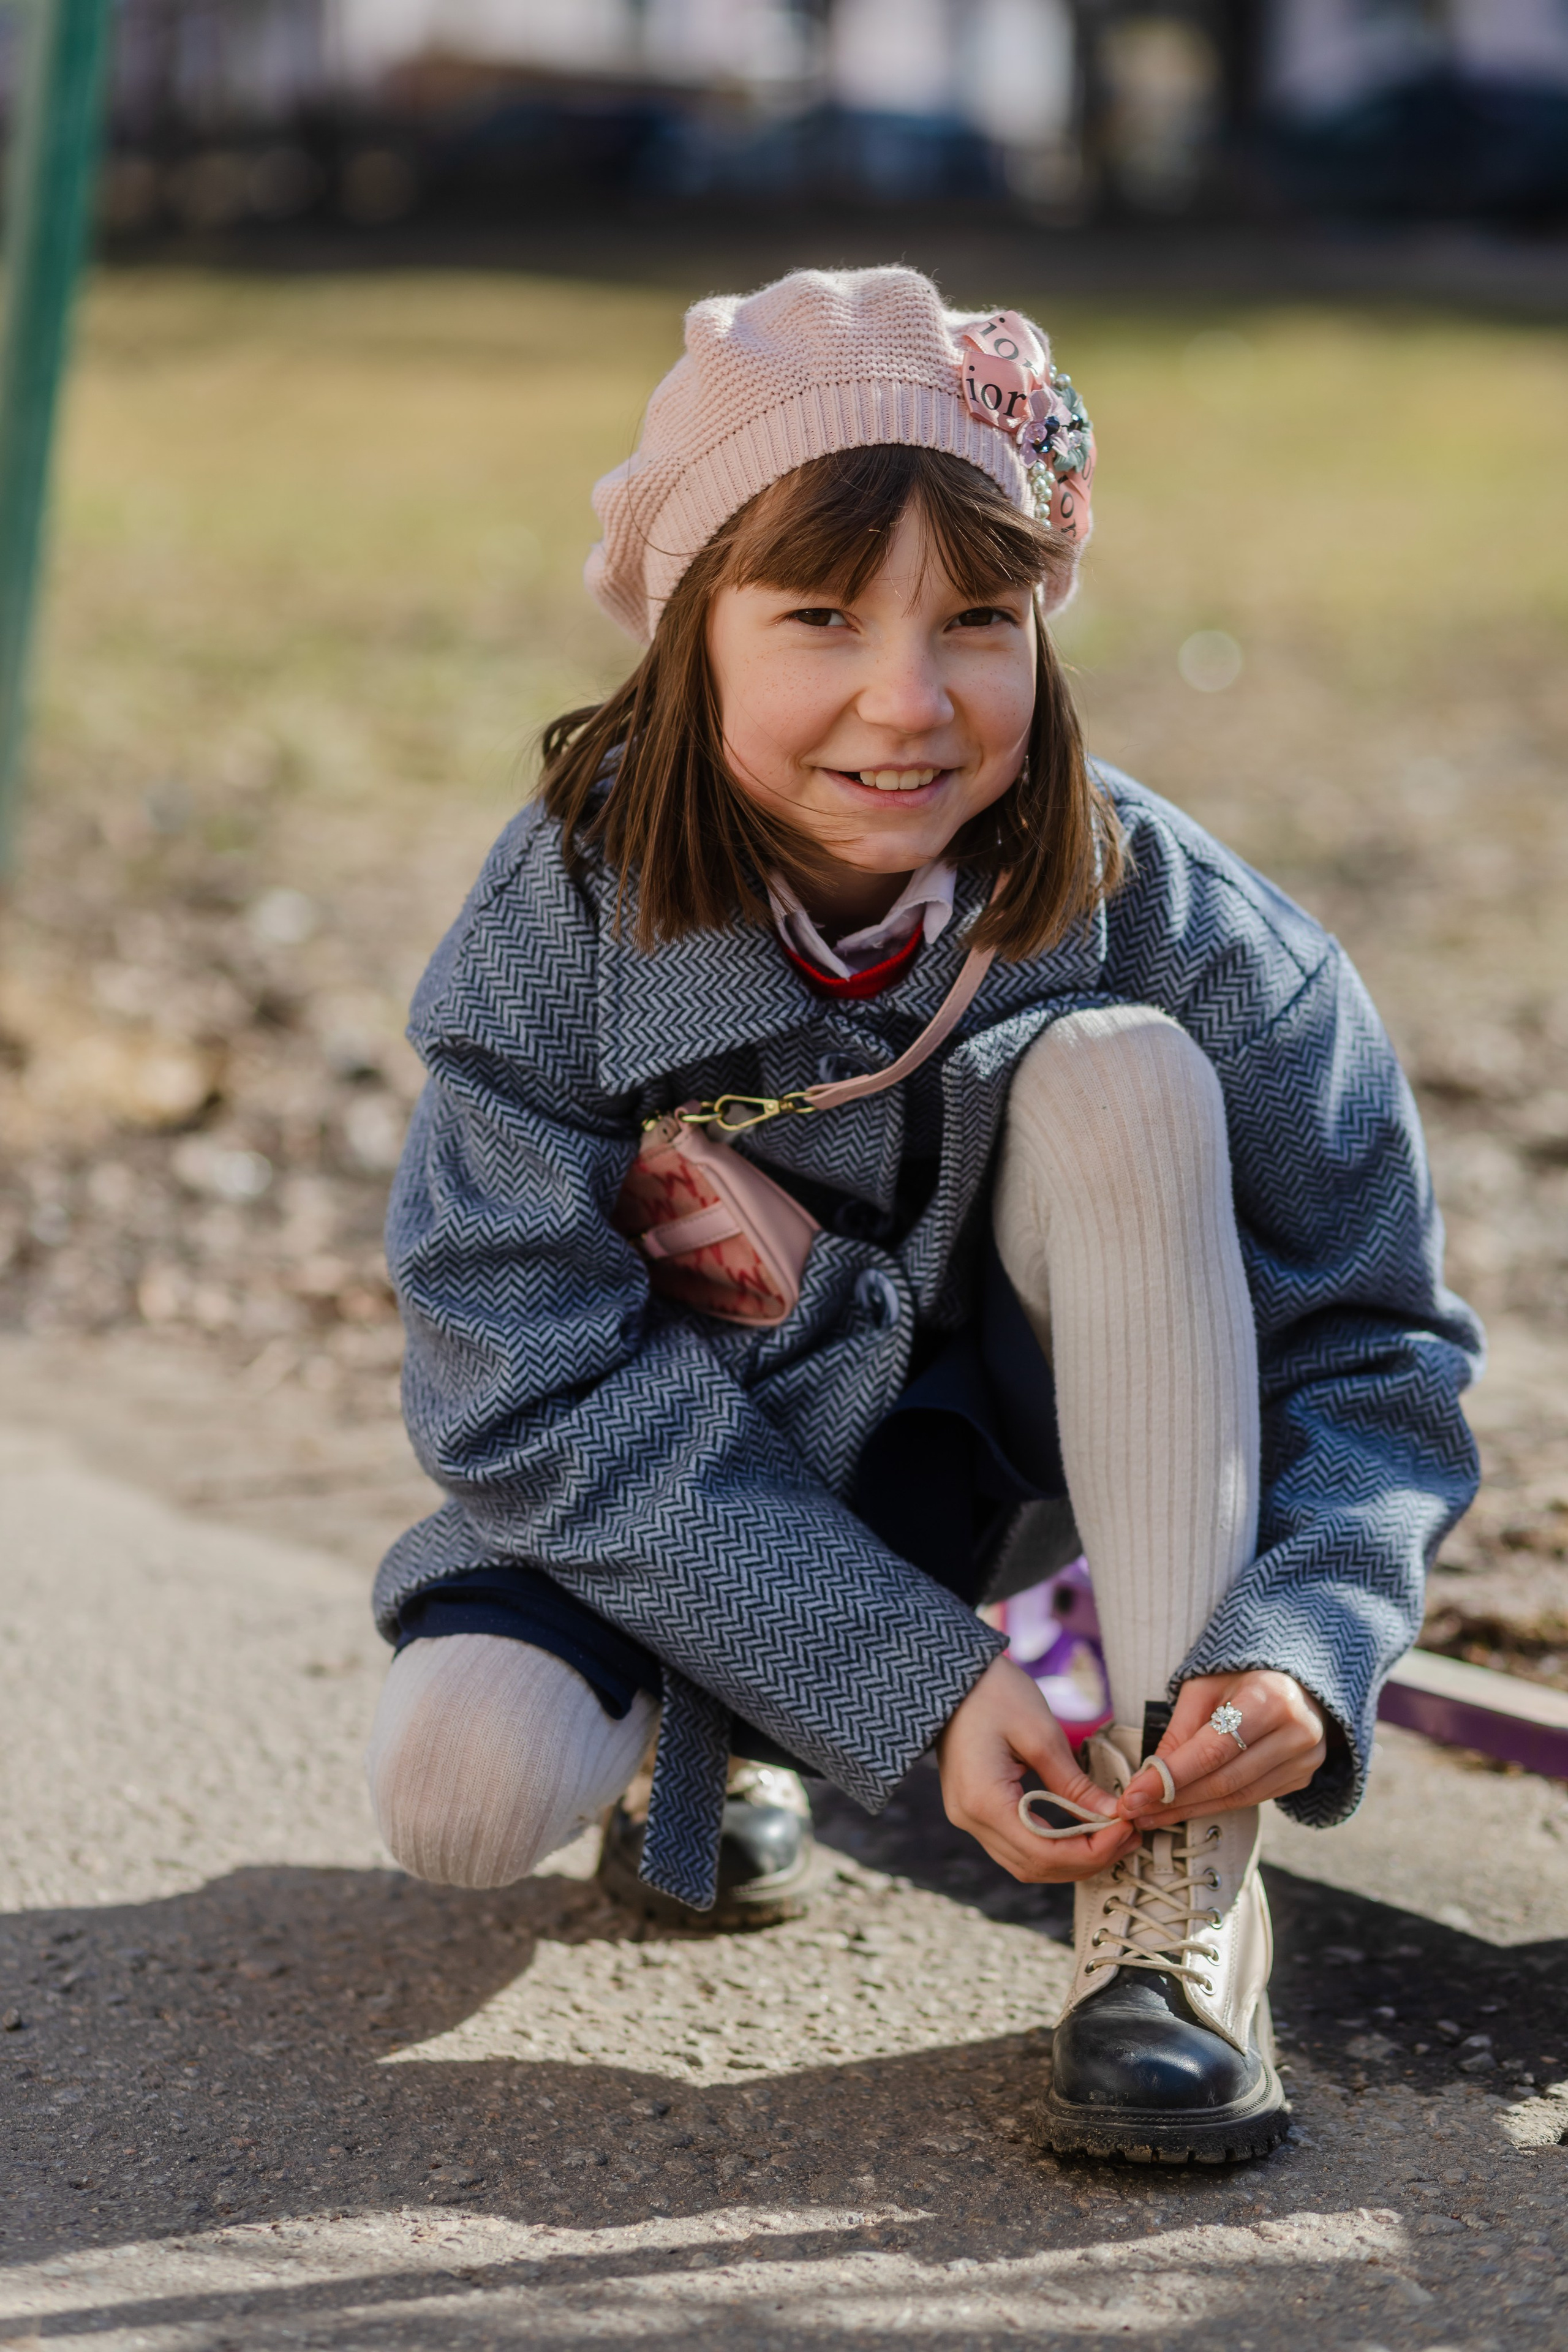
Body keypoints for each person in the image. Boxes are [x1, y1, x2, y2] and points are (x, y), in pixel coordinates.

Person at [364, 267, 1480, 2163]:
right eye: (818, 618)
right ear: (687, 635)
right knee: (460, 1785)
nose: (909, 699)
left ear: (1045, 622)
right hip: (725, 1487)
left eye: (981, 618)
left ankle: (1174, 1907)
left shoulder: (1194, 924)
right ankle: (722, 1735)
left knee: (1122, 1072)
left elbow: (1375, 1342)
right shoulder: (562, 924)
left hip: (1092, 1504)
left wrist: (1305, 1632)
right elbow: (517, 1383)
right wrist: (898, 1675)